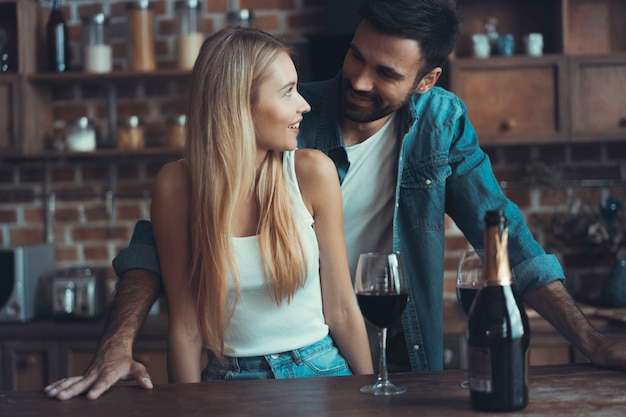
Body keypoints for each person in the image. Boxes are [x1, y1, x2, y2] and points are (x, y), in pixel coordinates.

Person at [46, 0, 626, 400]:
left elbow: (506, 238)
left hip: (393, 342)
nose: (359, 81)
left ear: (427, 80)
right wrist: (118, 343)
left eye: (387, 73)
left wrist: (589, 339)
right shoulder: (293, 120)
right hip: (264, 361)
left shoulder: (440, 126)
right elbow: (162, 243)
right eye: (356, 56)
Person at [45, 26, 372, 398]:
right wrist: (189, 406)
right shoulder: (176, 186)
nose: (304, 104)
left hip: (321, 370)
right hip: (228, 381)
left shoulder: (313, 172)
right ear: (237, 104)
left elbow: (343, 310)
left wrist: (371, 396)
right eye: (287, 92)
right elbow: (186, 328)